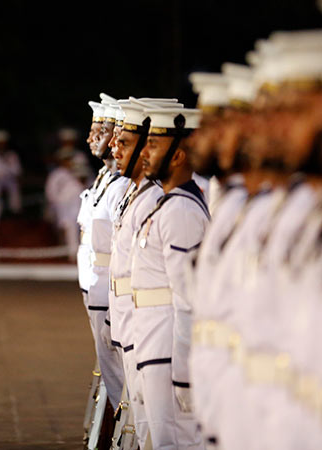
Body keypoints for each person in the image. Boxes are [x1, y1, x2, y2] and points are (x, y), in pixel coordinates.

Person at [130, 107, 206, 449]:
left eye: (153, 145)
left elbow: (188, 298)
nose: (144, 153)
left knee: (174, 442)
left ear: (177, 156)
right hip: (153, 341)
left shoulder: (182, 211)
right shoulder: (167, 204)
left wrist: (184, 373)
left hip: (168, 352)